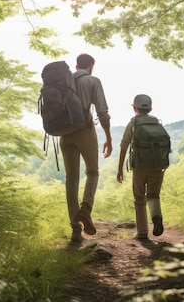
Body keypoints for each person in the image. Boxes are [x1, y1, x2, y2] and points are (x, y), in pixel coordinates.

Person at [60, 53, 113, 244]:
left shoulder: (63, 81)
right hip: (84, 131)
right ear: (91, 65)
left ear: (75, 67)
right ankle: (86, 210)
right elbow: (102, 111)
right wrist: (108, 137)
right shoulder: (92, 80)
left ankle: (76, 230)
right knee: (92, 172)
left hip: (64, 133)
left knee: (71, 179)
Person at [116, 94, 166, 241]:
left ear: (134, 108)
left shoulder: (133, 123)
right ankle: (156, 218)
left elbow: (124, 146)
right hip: (158, 166)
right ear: (150, 109)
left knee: (139, 198)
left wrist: (120, 169)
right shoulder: (157, 122)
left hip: (139, 167)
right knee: (153, 195)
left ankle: (142, 232)